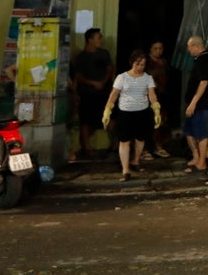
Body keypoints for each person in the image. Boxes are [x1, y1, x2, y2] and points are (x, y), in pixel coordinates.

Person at [102, 49, 160, 181]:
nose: (140, 67)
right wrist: (107, 110)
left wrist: (156, 109)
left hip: (142, 112)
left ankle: (136, 161)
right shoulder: (122, 77)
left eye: (142, 65)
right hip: (125, 113)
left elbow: (152, 95)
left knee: (140, 139)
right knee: (124, 141)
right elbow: (114, 95)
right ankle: (125, 169)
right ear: (132, 63)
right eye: (137, 64)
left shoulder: (148, 78)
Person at [71, 27, 113, 159]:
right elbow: (78, 76)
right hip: (87, 92)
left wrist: (104, 82)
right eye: (99, 37)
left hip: (105, 91)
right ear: (90, 39)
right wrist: (93, 83)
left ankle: (115, 144)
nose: (101, 40)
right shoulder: (82, 57)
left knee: (110, 117)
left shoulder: (104, 54)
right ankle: (87, 147)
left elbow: (110, 69)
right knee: (86, 120)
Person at [182, 35, 208, 173]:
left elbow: (204, 82)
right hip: (194, 102)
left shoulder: (205, 59)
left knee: (201, 133)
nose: (188, 49)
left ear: (196, 46)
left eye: (189, 46)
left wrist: (193, 103)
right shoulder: (200, 59)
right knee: (188, 131)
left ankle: (202, 162)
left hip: (201, 103)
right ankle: (196, 156)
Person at [143, 40, 172, 159]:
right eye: (155, 48)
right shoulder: (146, 62)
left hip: (162, 94)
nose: (158, 51)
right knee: (147, 122)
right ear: (150, 49)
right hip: (148, 95)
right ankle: (144, 149)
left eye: (160, 48)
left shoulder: (163, 62)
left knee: (160, 121)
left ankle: (157, 146)